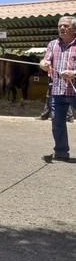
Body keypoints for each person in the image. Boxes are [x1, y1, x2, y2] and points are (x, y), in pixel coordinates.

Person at [39, 16, 76, 163]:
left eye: (65, 26)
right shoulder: (52, 44)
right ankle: (61, 152)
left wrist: (74, 74)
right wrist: (43, 63)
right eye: (60, 26)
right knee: (57, 123)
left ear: (73, 28)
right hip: (57, 91)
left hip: (74, 91)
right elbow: (45, 61)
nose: (61, 28)